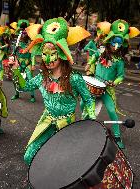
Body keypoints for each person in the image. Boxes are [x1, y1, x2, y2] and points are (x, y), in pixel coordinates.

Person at [19, 17, 95, 165]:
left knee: (61, 163)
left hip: (66, 125)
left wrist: (90, 115)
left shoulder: (74, 79)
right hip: (47, 121)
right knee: (29, 156)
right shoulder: (42, 77)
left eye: (52, 53)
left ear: (61, 54)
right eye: (44, 54)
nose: (48, 59)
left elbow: (88, 98)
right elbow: (24, 87)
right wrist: (16, 69)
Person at [81, 19, 140, 149]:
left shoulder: (119, 61)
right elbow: (93, 58)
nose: (116, 46)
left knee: (112, 112)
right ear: (109, 41)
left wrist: (115, 82)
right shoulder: (101, 52)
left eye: (119, 44)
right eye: (114, 42)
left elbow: (121, 76)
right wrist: (89, 64)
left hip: (106, 90)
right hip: (93, 86)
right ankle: (82, 128)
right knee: (83, 106)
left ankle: (117, 136)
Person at [10, 19, 36, 102]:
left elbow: (33, 54)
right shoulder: (17, 43)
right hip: (19, 63)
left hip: (27, 63)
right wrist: (13, 56)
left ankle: (32, 96)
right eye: (22, 33)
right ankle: (16, 94)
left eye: (25, 32)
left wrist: (33, 64)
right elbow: (13, 53)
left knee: (30, 78)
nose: (23, 34)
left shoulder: (30, 43)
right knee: (16, 78)